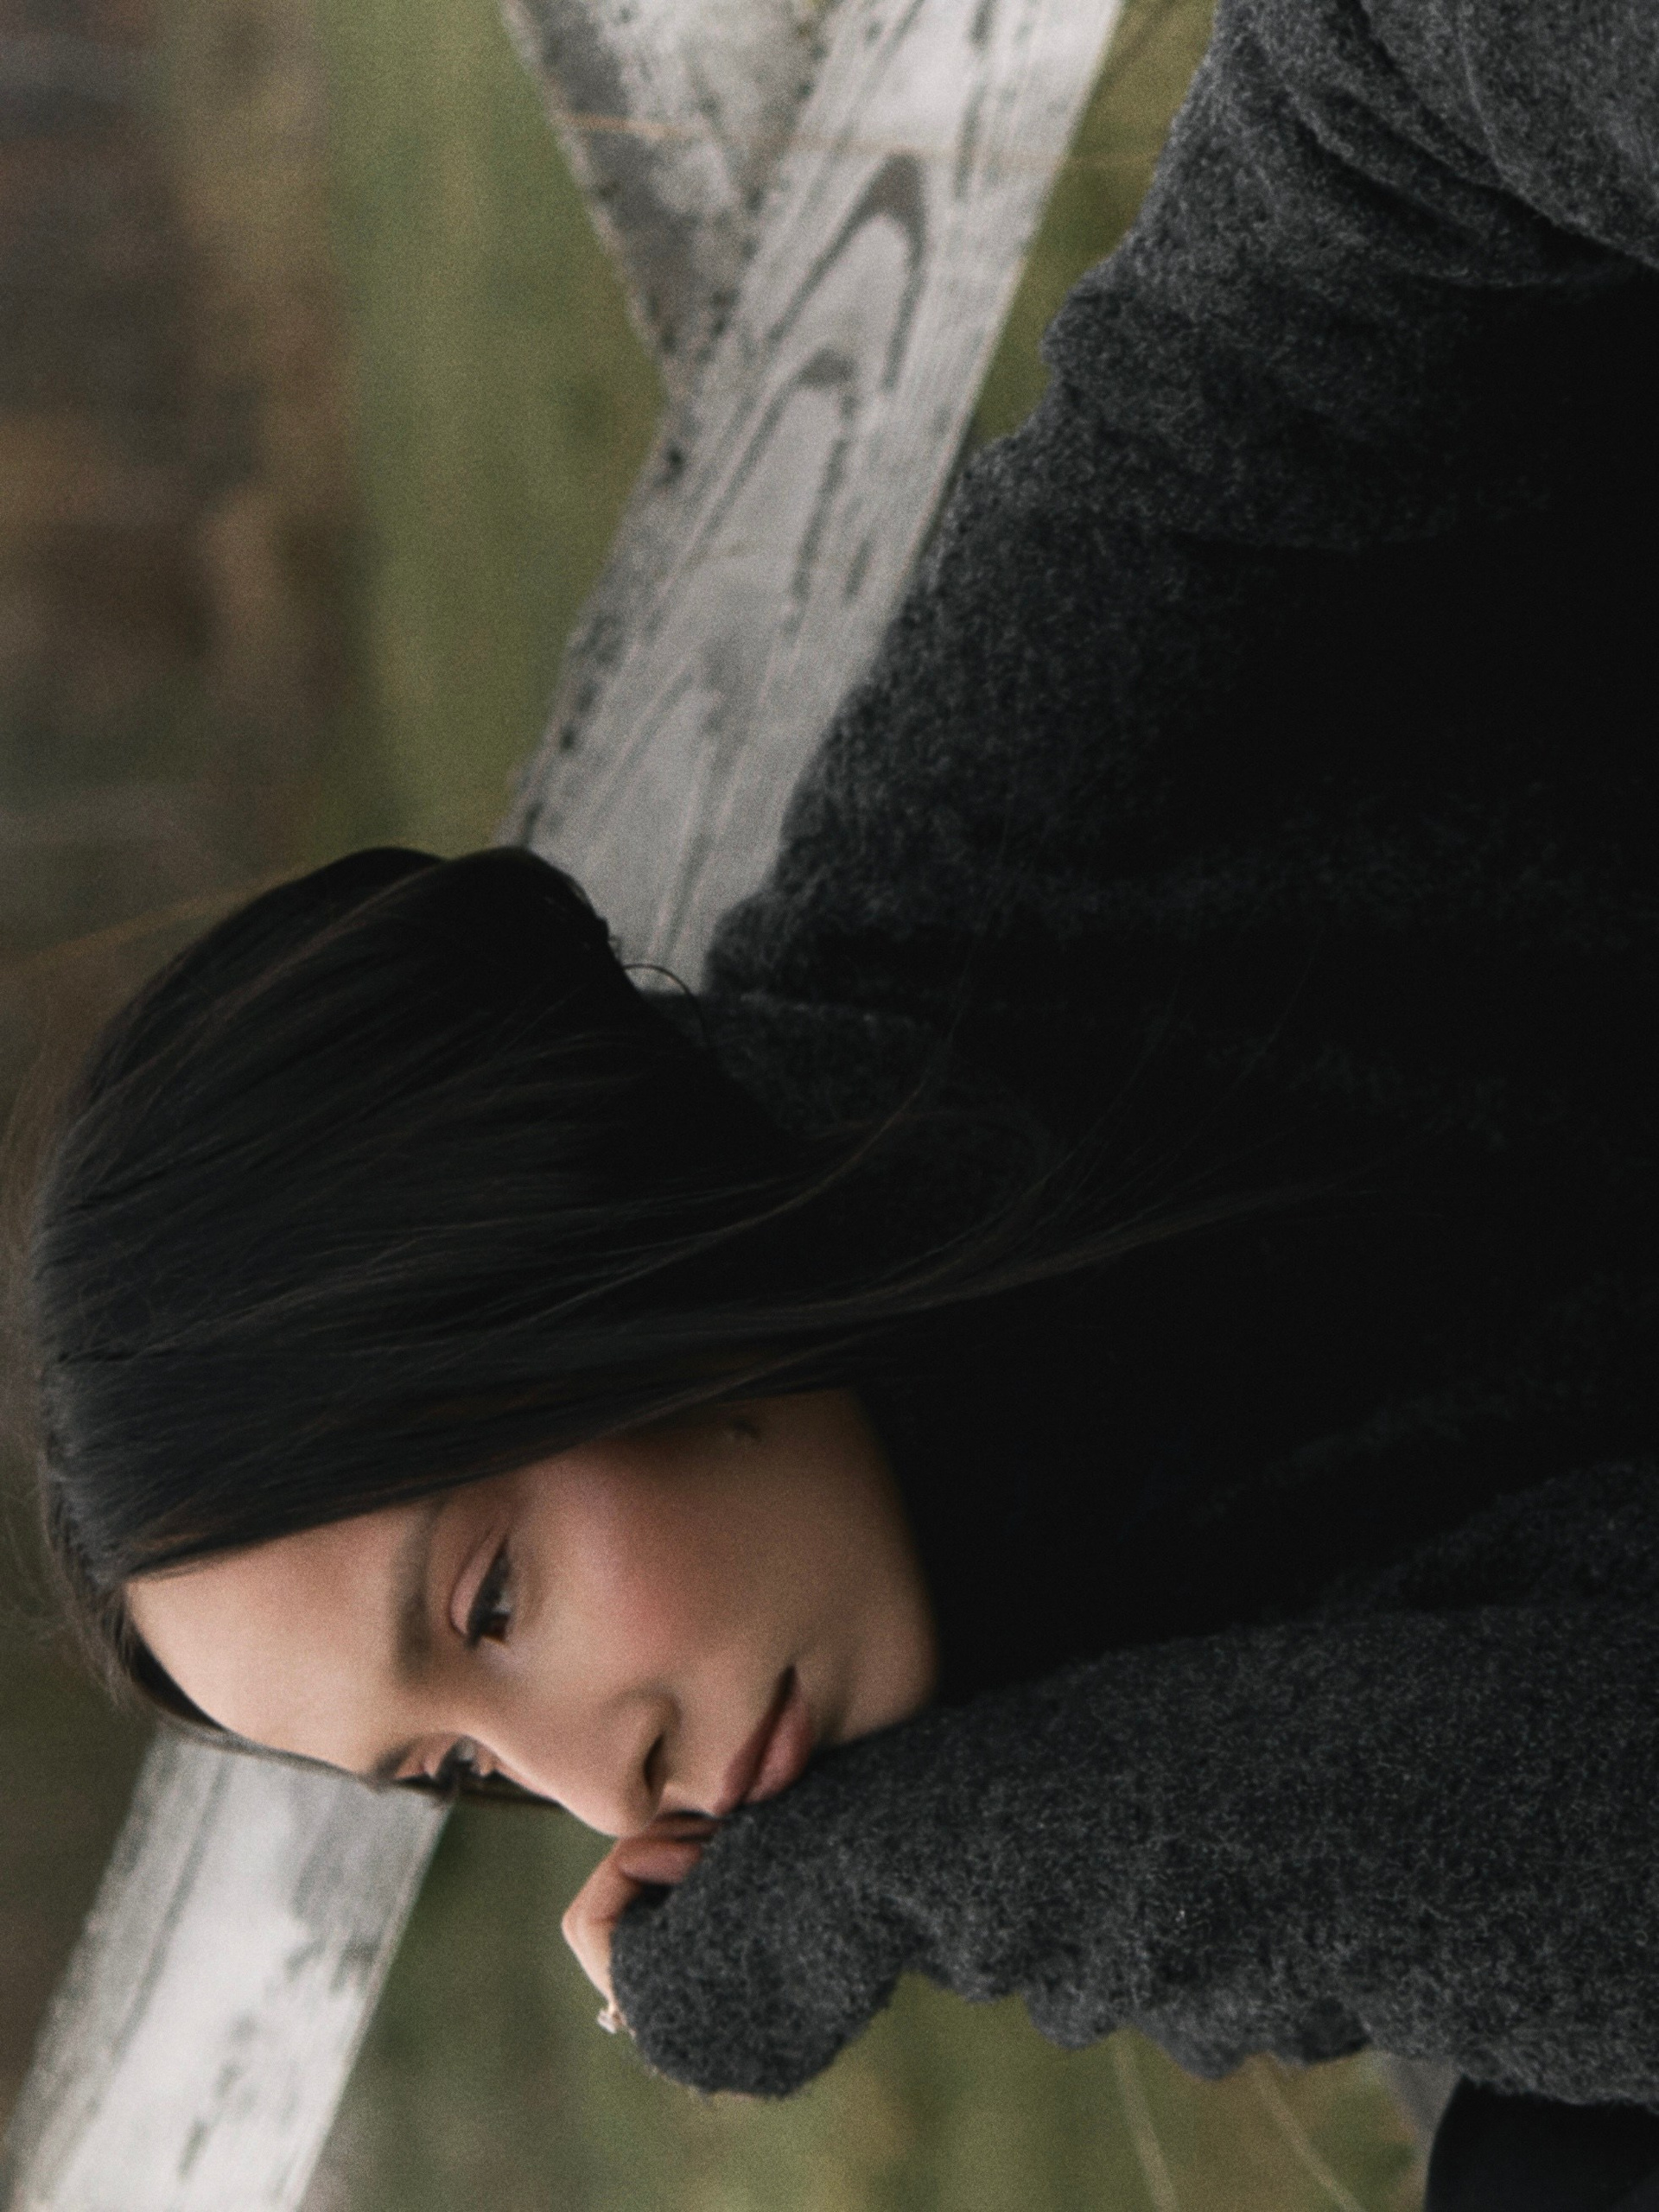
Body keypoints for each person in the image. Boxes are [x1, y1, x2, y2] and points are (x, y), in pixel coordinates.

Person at [21, 0, 1659, 2199]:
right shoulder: (1107, 1773)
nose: (611, 1794)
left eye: (491, 1605)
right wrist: (941, 1862)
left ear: (574, 1216)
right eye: (464, 1767)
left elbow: (1374, 80)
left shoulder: (1024, 829)